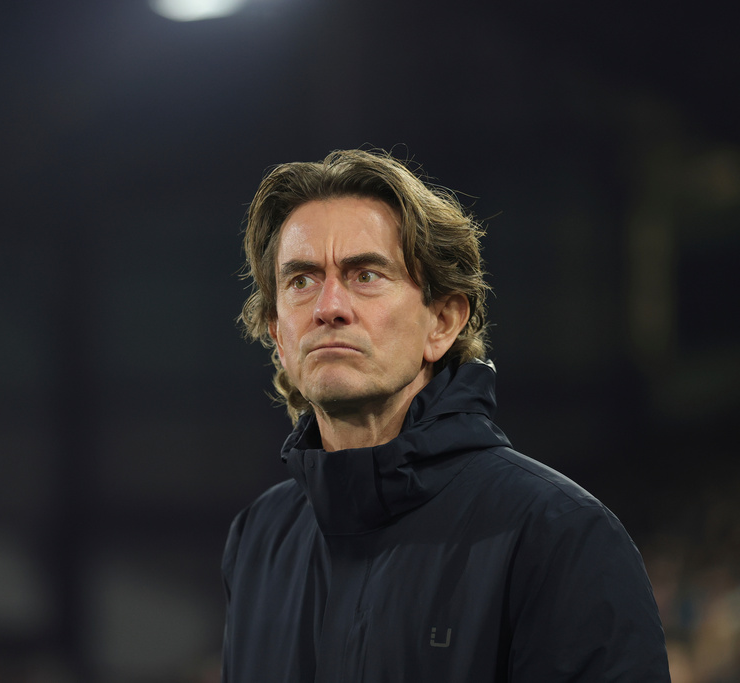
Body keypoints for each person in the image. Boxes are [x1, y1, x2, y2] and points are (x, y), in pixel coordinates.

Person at [221, 148, 670, 682]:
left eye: (365, 274)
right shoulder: (259, 539)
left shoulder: (558, 535)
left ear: (443, 321)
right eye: (301, 280)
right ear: (276, 331)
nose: (328, 306)